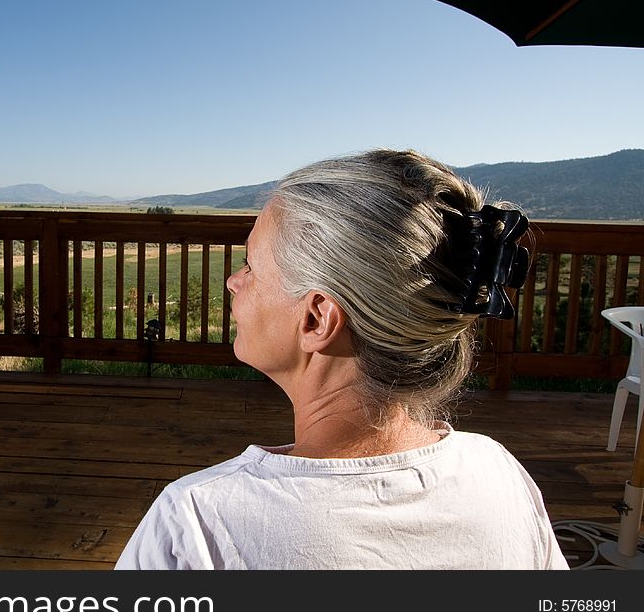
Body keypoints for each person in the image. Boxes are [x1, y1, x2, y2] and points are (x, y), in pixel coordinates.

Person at [115, 149, 568, 570]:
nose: (234, 281)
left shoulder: (197, 525)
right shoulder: (499, 474)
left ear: (316, 319)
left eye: (252, 265)